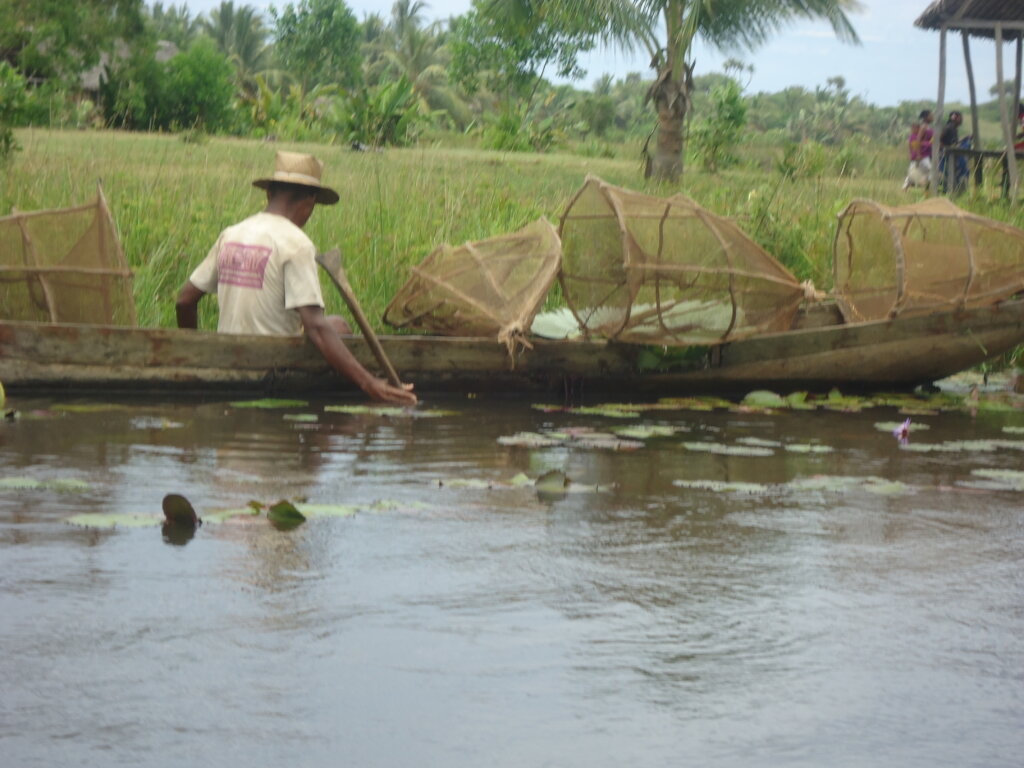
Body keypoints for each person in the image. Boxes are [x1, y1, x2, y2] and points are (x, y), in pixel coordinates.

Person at [176, 151, 417, 405]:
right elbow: (316, 328)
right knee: (336, 328)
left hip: (229, 356)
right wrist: (370, 383)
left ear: (269, 193)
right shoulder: (296, 243)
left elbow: (184, 301)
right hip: (275, 362)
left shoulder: (232, 233)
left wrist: (200, 353)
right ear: (310, 202)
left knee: (337, 326)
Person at [938, 110, 970, 193]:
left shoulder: (954, 128)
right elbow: (938, 140)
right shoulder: (948, 127)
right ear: (955, 118)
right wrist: (945, 148)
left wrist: (964, 138)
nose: (961, 119)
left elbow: (954, 142)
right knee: (948, 173)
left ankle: (956, 190)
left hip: (952, 153)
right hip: (945, 155)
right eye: (960, 118)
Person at [904, 109, 933, 189]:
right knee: (931, 171)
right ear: (926, 117)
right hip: (923, 153)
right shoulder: (923, 127)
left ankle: (907, 185)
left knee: (917, 169)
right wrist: (919, 154)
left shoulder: (927, 127)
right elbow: (918, 140)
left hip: (927, 151)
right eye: (931, 116)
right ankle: (926, 187)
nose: (932, 117)